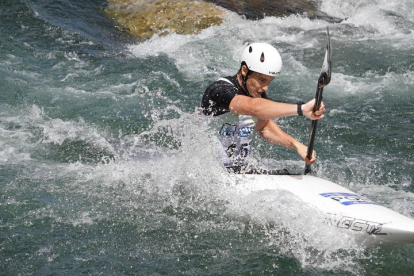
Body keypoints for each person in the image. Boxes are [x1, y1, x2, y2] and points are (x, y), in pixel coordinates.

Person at [200, 42, 325, 174]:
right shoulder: (220, 90)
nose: (266, 87)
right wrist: (301, 109)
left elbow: (263, 126)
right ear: (244, 70)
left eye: (269, 81)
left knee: (284, 173)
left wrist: (297, 145)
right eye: (261, 80)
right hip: (212, 173)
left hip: (241, 171)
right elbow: (252, 108)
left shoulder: (256, 92)